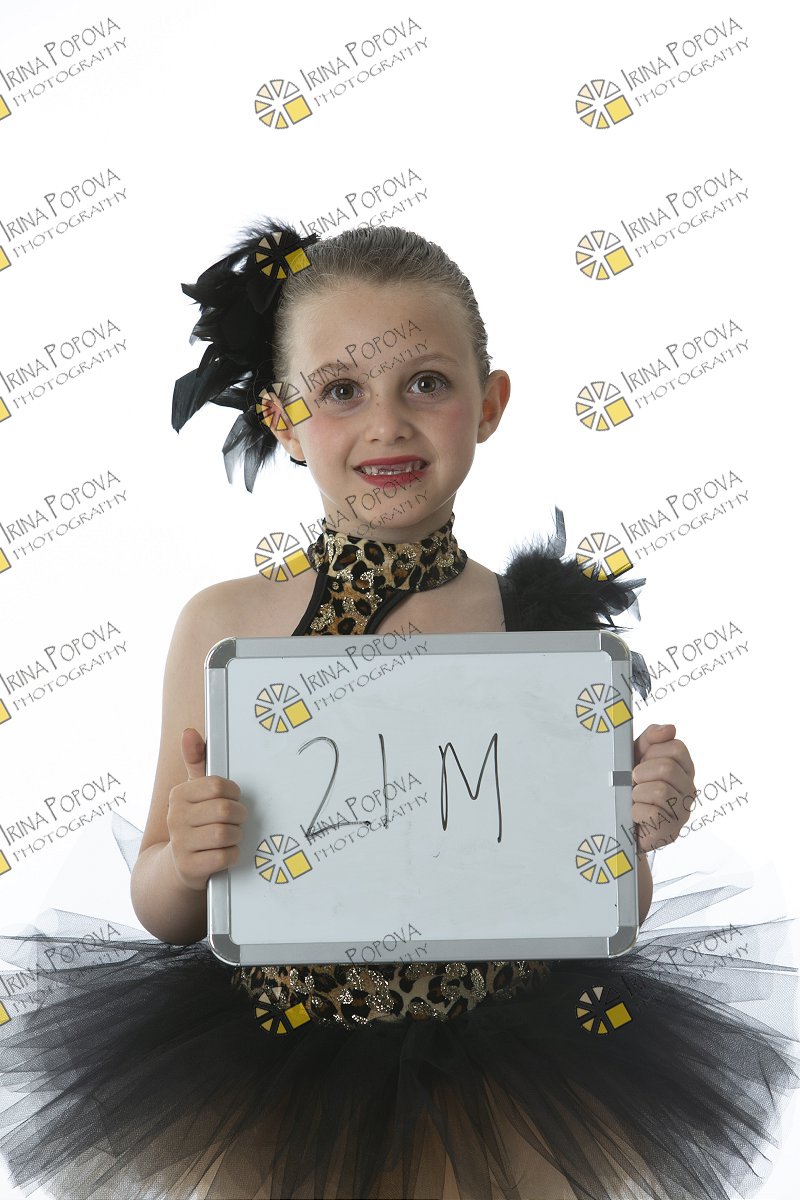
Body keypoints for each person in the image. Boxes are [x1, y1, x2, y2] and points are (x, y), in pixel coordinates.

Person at [0, 221, 797, 1200]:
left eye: (425, 383)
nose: (386, 424)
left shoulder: (538, 631)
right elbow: (163, 909)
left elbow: (602, 905)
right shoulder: (226, 625)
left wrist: (635, 830)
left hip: (504, 1064)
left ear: (488, 405)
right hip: (277, 1058)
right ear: (281, 418)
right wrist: (189, 855)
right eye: (340, 391)